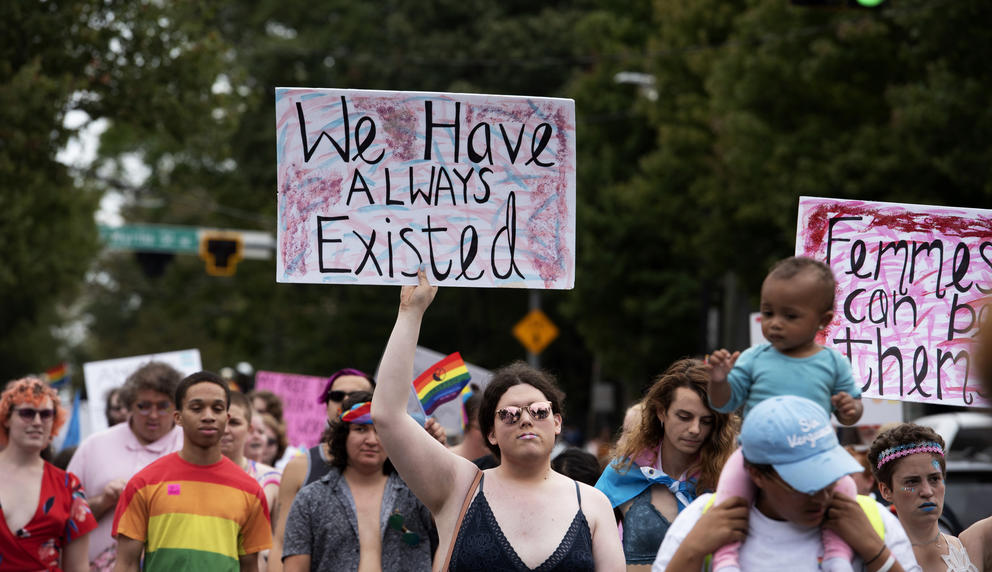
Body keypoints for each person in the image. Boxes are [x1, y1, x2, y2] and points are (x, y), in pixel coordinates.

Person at [370, 270, 625, 571]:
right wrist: (410, 312)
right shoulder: (459, 486)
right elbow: (387, 415)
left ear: (557, 423)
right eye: (510, 414)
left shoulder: (593, 504)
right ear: (491, 432)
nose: (526, 420)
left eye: (539, 411)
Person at [707, 256, 865, 572]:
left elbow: (852, 413)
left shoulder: (833, 363)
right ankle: (725, 559)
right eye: (768, 313)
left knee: (846, 492)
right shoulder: (753, 358)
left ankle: (836, 555)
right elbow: (723, 404)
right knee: (727, 499)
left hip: (816, 456)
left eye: (789, 315)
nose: (775, 323)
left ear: (824, 319)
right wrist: (719, 381)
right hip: (756, 457)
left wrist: (850, 408)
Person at [653, 395, 920, 571]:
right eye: (803, 483)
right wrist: (692, 551)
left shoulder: (874, 521)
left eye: (829, 476)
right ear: (756, 473)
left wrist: (875, 551)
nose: (822, 495)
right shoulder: (700, 522)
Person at [113, 371, 271, 571]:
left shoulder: (251, 490)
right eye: (196, 408)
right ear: (178, 417)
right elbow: (126, 564)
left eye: (217, 408)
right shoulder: (144, 483)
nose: (208, 416)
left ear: (227, 417)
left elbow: (250, 566)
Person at [595, 358, 738, 568]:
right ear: (661, 412)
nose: (695, 429)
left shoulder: (726, 478)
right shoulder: (625, 471)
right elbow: (588, 545)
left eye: (706, 421)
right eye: (684, 416)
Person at [282, 392, 436, 571]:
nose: (371, 440)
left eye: (380, 430)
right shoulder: (310, 499)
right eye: (360, 429)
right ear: (343, 436)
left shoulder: (418, 493)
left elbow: (450, 521)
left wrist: (434, 451)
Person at [67, 361, 184, 569]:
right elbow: (63, 514)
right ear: (129, 404)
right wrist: (104, 501)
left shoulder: (190, 447)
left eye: (163, 406)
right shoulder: (94, 445)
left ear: (176, 407)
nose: (153, 415)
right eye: (144, 406)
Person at [268, 368, 375, 572]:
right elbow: (281, 543)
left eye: (355, 396)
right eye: (336, 396)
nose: (344, 401)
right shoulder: (300, 467)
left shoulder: (398, 465)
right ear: (326, 405)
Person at [0, 377, 97, 571]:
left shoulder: (68, 485)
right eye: (27, 413)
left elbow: (78, 567)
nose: (37, 422)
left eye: (45, 414)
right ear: (7, 418)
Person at [868, 423, 992, 571]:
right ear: (886, 490)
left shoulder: (972, 546)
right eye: (912, 481)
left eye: (934, 479)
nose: (927, 491)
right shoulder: (875, 556)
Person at [222, 392, 281, 514]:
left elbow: (279, 532)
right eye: (221, 422)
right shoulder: (192, 474)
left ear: (249, 429)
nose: (225, 430)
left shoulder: (272, 479)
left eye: (234, 423)